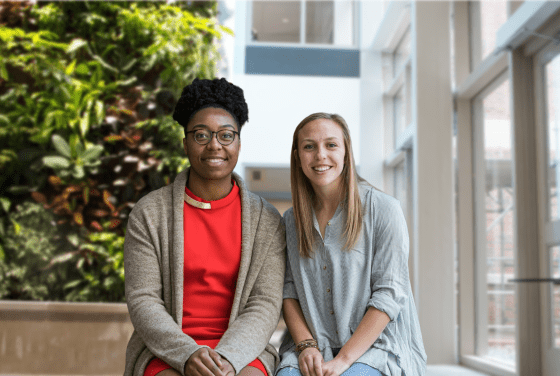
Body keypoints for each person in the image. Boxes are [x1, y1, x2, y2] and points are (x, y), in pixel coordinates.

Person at [123, 78, 286, 376]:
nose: (214, 145)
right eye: (201, 135)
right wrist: (188, 353)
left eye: (226, 135)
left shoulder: (267, 221)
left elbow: (264, 304)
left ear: (238, 143)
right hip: (168, 351)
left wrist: (227, 358)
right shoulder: (149, 214)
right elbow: (143, 299)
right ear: (185, 143)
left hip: (243, 352)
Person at [276, 113, 426, 376]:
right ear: (298, 157)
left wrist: (344, 360)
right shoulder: (291, 220)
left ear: (346, 153)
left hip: (377, 347)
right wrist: (306, 346)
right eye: (309, 146)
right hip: (311, 347)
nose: (320, 155)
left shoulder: (384, 210)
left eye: (331, 145)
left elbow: (389, 294)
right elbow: (289, 291)